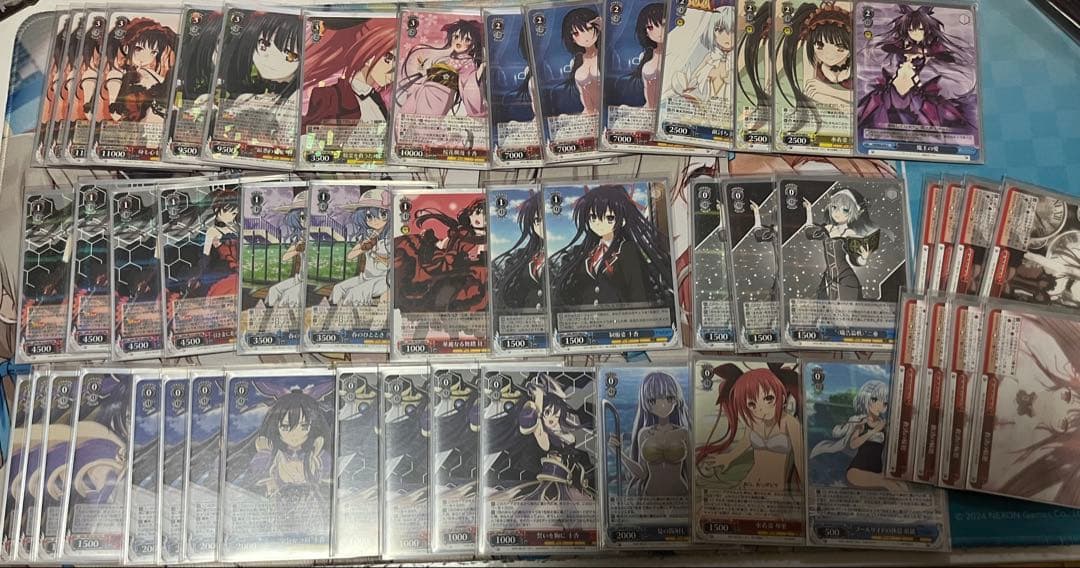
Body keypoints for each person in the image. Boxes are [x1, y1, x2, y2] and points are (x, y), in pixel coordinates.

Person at [809, 379, 904, 491]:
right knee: (887, 484)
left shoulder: (884, 424)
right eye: (875, 400)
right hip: (858, 470)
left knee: (899, 486)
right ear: (866, 399)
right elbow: (853, 444)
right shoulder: (861, 423)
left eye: (885, 403)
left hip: (878, 470)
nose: (881, 405)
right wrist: (873, 431)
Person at [607, 372, 690, 496]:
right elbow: (642, 473)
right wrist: (619, 453)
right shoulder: (644, 434)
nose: (662, 404)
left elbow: (691, 472)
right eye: (653, 400)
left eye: (669, 398)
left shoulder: (683, 433)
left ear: (676, 399)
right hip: (650, 496)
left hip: (680, 495)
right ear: (646, 402)